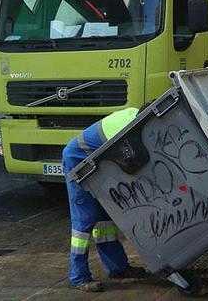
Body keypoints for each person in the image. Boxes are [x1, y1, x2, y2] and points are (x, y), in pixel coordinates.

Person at [62, 108, 148, 292]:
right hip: (77, 164)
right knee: (84, 221)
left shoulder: (133, 114)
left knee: (104, 220)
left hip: (93, 165)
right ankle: (77, 277)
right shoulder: (128, 128)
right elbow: (130, 163)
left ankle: (117, 267)